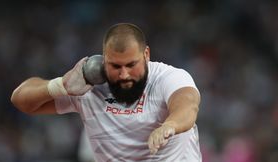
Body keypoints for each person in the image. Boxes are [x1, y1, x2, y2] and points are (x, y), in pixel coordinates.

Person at [11, 23, 202, 161]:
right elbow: (21, 100)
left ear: (146, 55)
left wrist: (169, 125)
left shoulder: (168, 77)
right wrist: (59, 85)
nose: (124, 74)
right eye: (115, 66)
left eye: (131, 64)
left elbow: (188, 106)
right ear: (104, 60)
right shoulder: (88, 86)